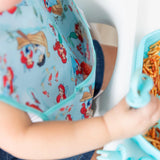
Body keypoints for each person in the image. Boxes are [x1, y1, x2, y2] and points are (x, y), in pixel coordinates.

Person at [0, 1, 160, 160]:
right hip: (50, 136)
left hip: (66, 56)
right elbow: (25, 140)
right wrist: (109, 128)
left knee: (129, 61)